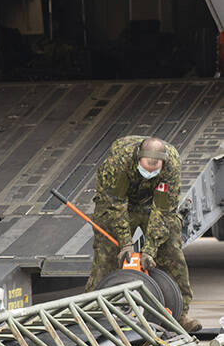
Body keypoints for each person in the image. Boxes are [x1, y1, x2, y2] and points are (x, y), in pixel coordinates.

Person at [84, 135, 200, 332]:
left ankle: (179, 314)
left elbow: (163, 210)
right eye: (146, 168)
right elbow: (115, 205)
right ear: (138, 158)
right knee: (106, 256)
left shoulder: (171, 163)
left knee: (172, 249)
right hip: (115, 203)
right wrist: (126, 244)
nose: (149, 172)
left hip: (149, 203)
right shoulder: (119, 161)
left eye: (155, 170)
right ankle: (92, 316)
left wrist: (150, 250)